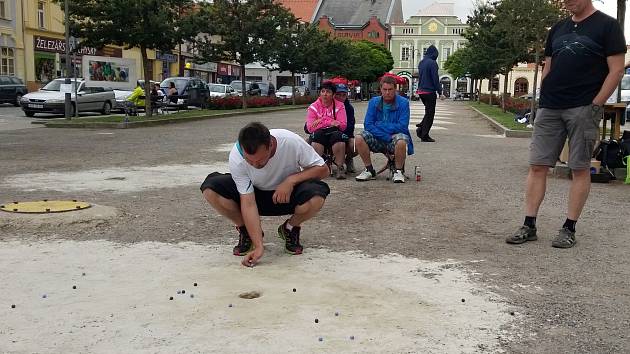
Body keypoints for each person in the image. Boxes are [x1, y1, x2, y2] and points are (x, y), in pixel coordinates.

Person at [506, 0, 626, 248]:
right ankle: (529, 225)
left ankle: (569, 227)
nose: (566, 1)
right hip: (550, 106)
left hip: (583, 106)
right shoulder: (558, 29)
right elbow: (548, 66)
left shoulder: (608, 26)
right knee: (537, 165)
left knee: (579, 168)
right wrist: (543, 94)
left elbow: (616, 70)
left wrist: (596, 104)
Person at [200, 122, 330, 267]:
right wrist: (259, 246)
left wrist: (291, 180)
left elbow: (323, 170)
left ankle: (290, 228)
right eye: (249, 160)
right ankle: (247, 231)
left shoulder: (290, 141)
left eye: (261, 160)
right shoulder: (237, 156)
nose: (255, 165)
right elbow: (248, 202)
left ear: (271, 145)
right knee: (211, 188)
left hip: (286, 195)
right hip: (255, 196)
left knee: (317, 194)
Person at [354, 75, 414, 183]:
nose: (387, 92)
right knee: (359, 137)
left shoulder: (403, 103)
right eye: (384, 89)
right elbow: (368, 125)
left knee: (401, 141)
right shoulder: (373, 102)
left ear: (395, 89)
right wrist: (387, 136)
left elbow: (402, 126)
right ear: (380, 89)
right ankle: (369, 169)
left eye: (390, 89)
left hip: (394, 138)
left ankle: (398, 171)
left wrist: (380, 124)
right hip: (386, 137)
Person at [305, 81, 348, 179]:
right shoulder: (313, 107)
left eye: (328, 92)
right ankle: (318, 168)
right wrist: (330, 121)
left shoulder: (340, 106)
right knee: (317, 135)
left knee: (338, 137)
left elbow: (342, 125)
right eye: (323, 91)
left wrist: (321, 120)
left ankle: (340, 168)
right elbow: (310, 128)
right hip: (320, 135)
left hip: (334, 133)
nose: (325, 94)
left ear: (333, 95)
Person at [416, 45, 446, 143]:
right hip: (429, 92)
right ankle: (424, 135)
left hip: (421, 91)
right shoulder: (433, 63)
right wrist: (440, 92)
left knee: (428, 112)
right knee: (430, 113)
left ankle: (421, 126)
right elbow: (435, 79)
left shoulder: (421, 62)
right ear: (435, 54)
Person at [333, 83, 357, 173]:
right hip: (330, 135)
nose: (341, 97)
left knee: (355, 144)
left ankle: (349, 158)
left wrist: (340, 130)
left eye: (344, 95)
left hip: (346, 134)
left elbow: (351, 126)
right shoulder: (329, 106)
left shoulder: (349, 108)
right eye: (338, 94)